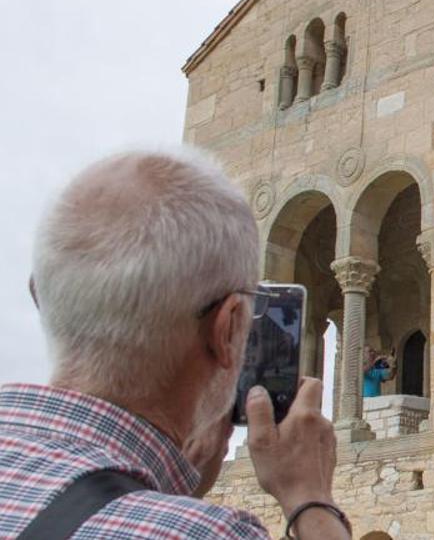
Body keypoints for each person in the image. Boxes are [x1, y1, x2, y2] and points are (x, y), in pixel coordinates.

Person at [1, 149, 351, 539]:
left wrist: (164, 479)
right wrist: (310, 497)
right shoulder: (209, 533)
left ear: (41, 294)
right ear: (230, 328)